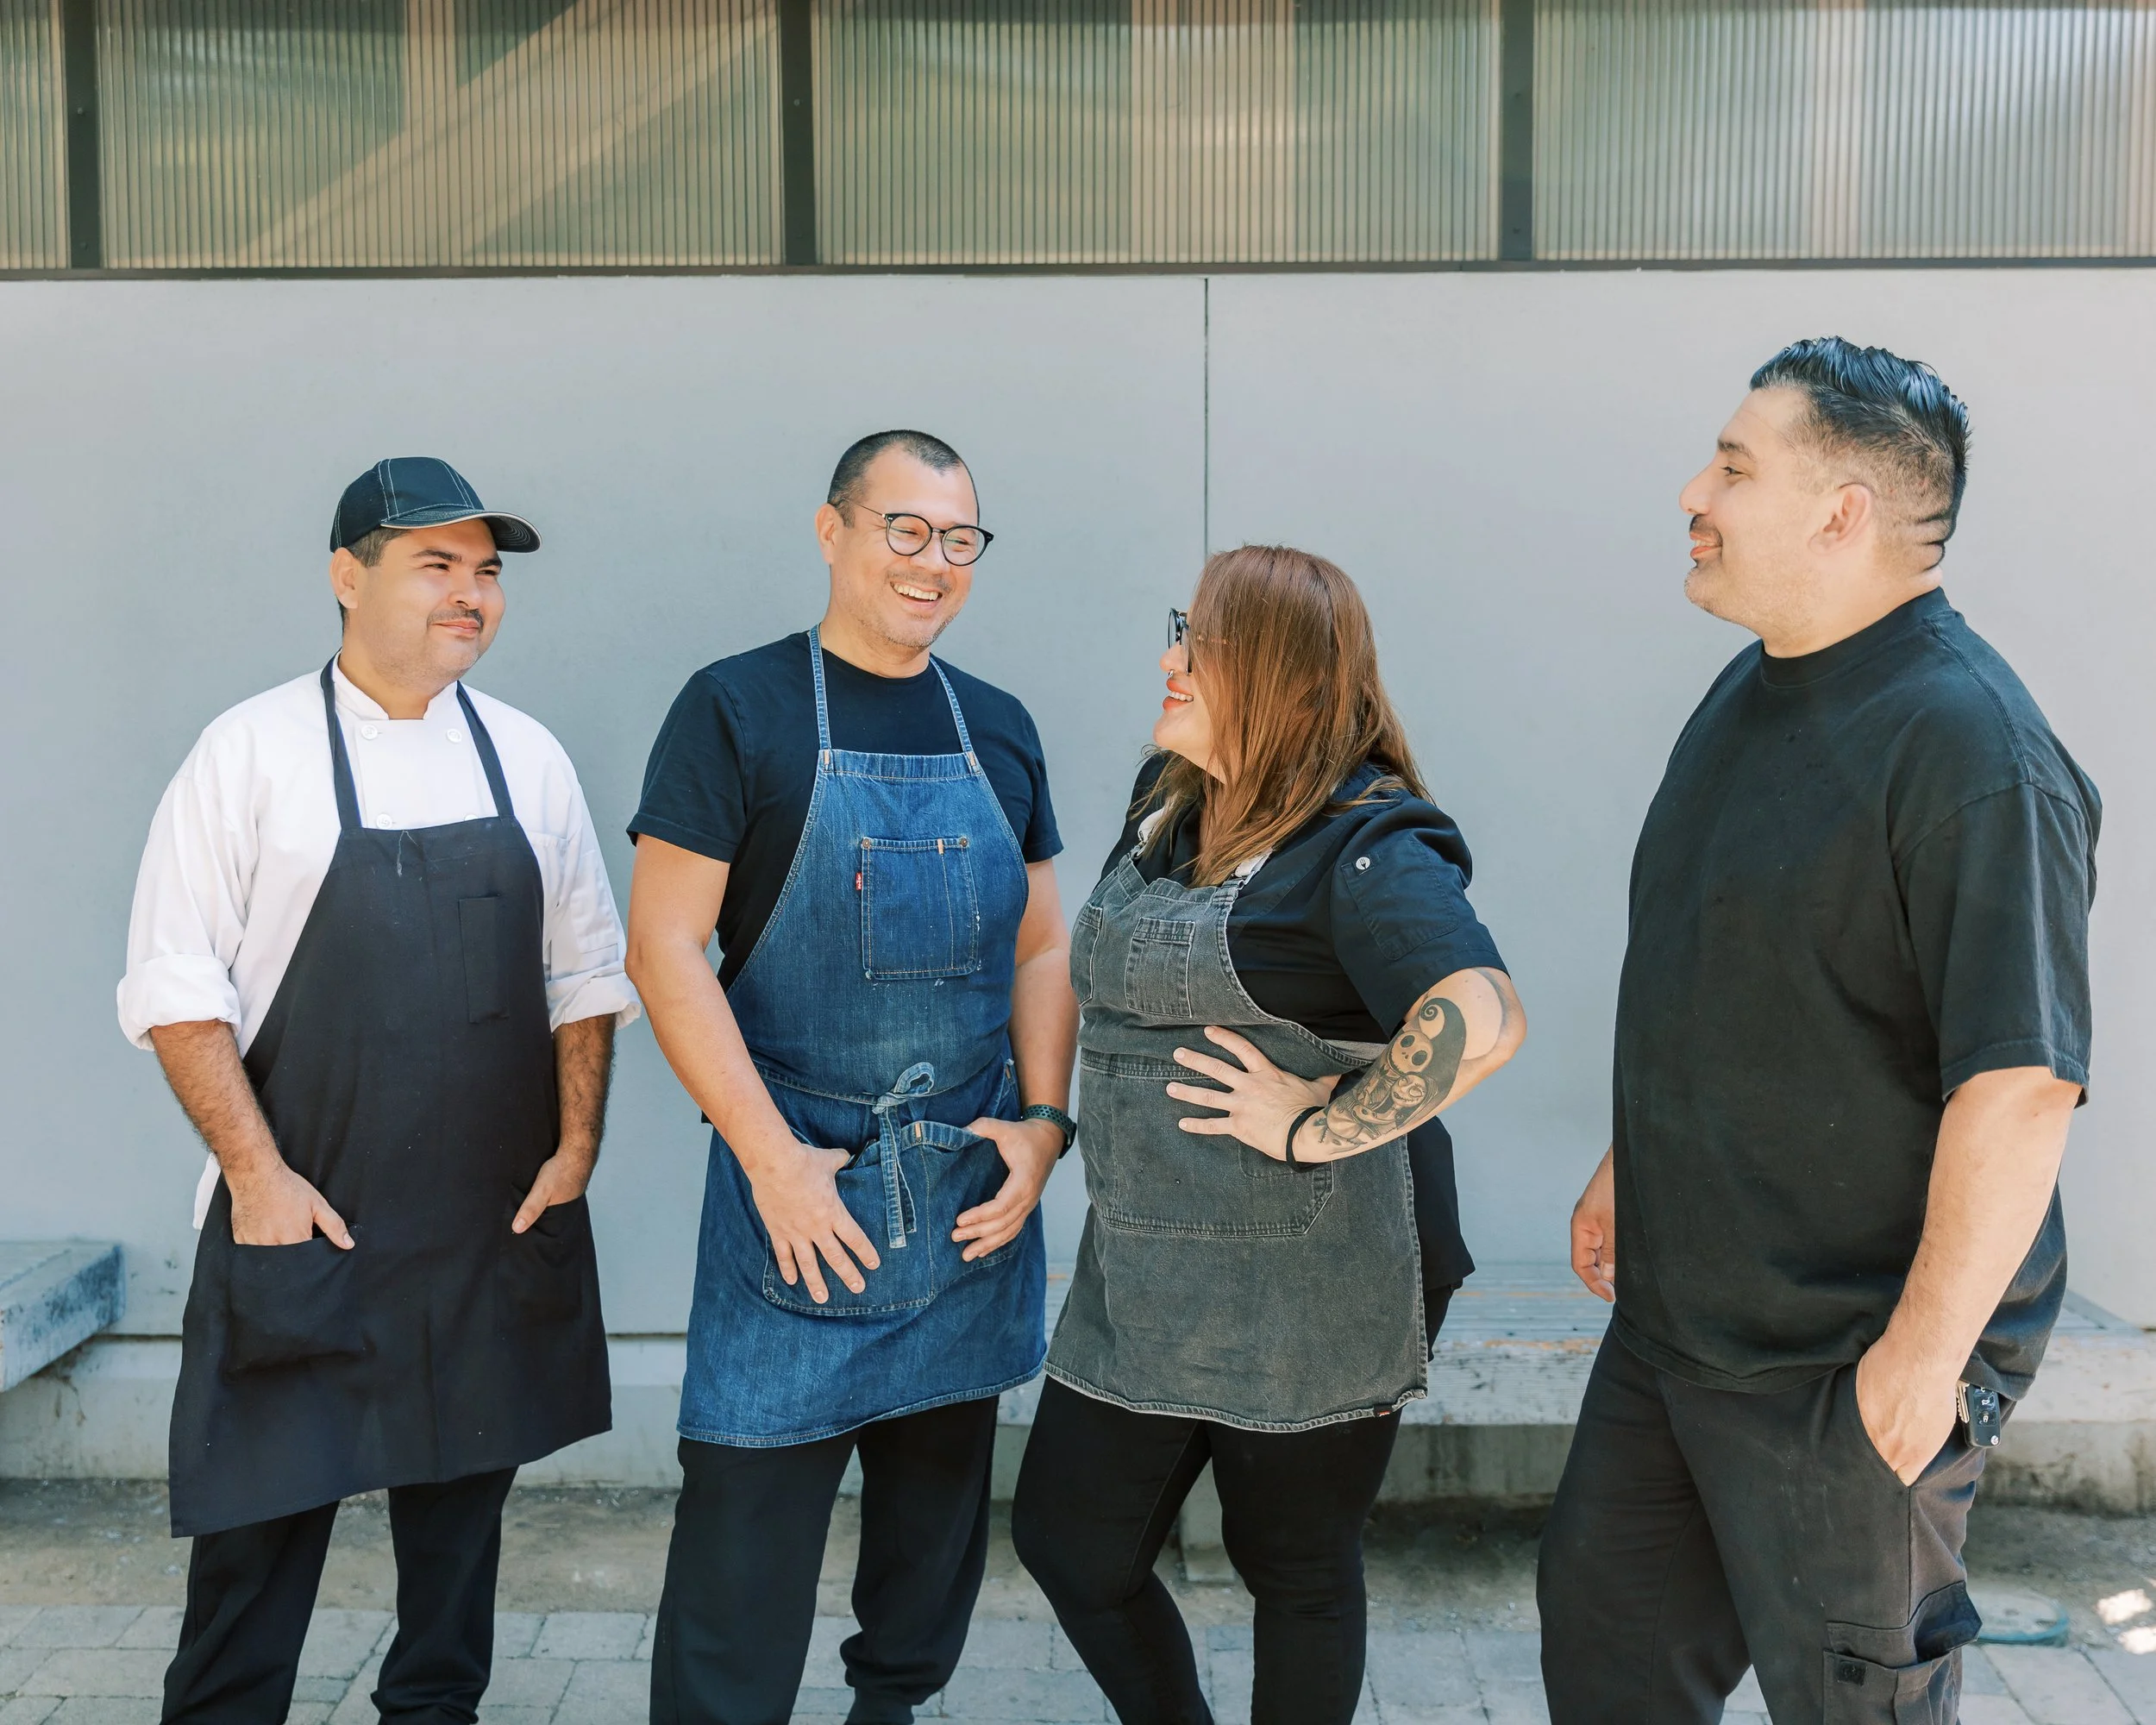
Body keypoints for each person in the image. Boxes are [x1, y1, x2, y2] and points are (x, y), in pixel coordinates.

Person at [1538, 339, 2100, 1724]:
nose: (1695, 490)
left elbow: (2022, 1088)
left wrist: (1915, 1368)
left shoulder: (1973, 753)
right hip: (1677, 1330)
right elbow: (1725, 958)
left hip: (1844, 1366)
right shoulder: (1760, 684)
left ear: (1842, 513)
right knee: (1605, 1665)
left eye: (1733, 466)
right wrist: (1634, 1159)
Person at [117, 457, 636, 1724]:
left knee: (456, 1567)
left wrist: (577, 1147)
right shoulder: (249, 753)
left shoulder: (527, 758)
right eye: (435, 564)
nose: (471, 595)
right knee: (253, 1559)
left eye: (486, 572)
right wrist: (258, 1176)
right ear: (346, 577)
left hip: (483, 1228)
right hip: (305, 1222)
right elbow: (176, 989)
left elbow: (585, 974)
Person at [1010, 545, 1527, 1725]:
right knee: (1070, 1542)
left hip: (1314, 1285)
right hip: (1146, 1272)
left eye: (1200, 644)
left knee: (1292, 1567)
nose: (1169, 661)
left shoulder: (1367, 845)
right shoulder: (1169, 800)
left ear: (1285, 681)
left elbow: (1482, 1019)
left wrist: (1314, 1129)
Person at [624, 429, 1077, 1725]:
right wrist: (773, 1164)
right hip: (799, 1202)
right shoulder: (737, 708)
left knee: (929, 1553)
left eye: (959, 540)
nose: (933, 563)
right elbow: (664, 948)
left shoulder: (999, 725)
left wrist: (1044, 1128)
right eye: (905, 530)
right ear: (833, 533)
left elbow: (1043, 946)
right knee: (741, 1552)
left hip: (964, 1203)